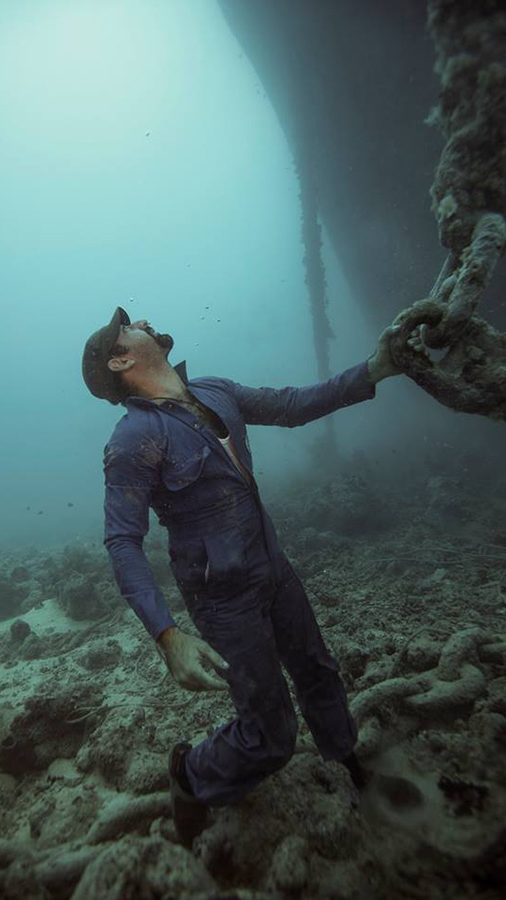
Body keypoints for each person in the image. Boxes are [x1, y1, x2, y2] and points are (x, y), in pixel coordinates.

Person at [82, 307, 428, 846]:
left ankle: (345, 759)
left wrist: (374, 369)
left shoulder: (215, 389)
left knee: (318, 669)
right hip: (222, 599)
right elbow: (122, 540)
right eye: (127, 326)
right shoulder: (133, 439)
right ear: (121, 358)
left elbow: (290, 406)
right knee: (271, 735)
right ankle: (192, 775)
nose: (142, 319)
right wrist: (166, 634)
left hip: (274, 568)